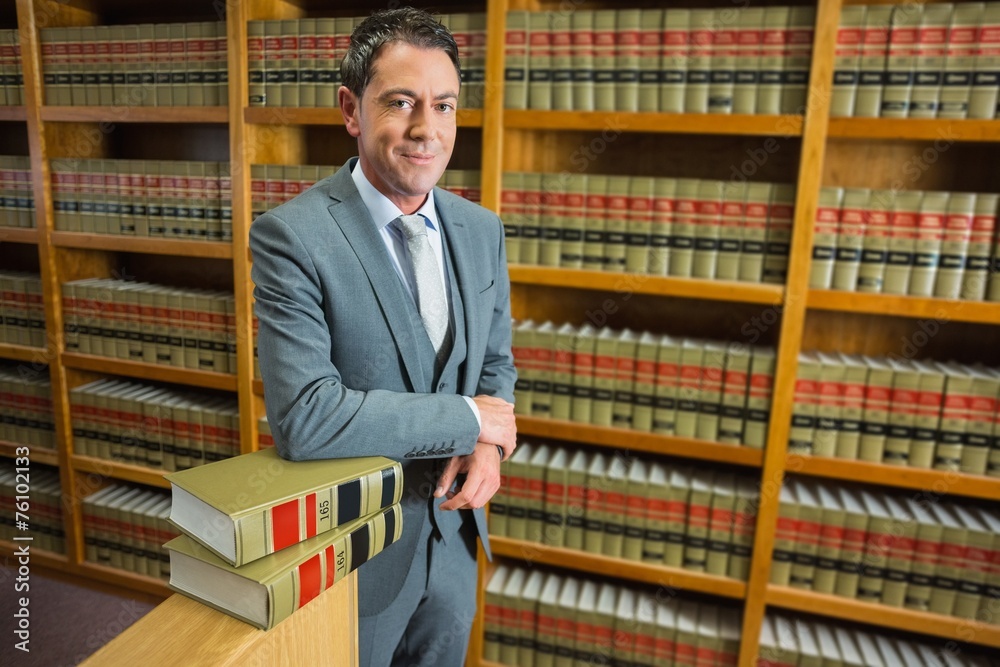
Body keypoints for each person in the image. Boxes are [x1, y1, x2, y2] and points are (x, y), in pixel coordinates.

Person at [248, 7, 518, 667]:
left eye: (445, 105)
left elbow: (494, 364)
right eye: (401, 102)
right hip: (352, 561)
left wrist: (486, 445)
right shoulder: (292, 237)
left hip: (454, 539)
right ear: (351, 108)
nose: (428, 130)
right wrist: (464, 416)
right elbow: (306, 418)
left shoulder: (482, 230)